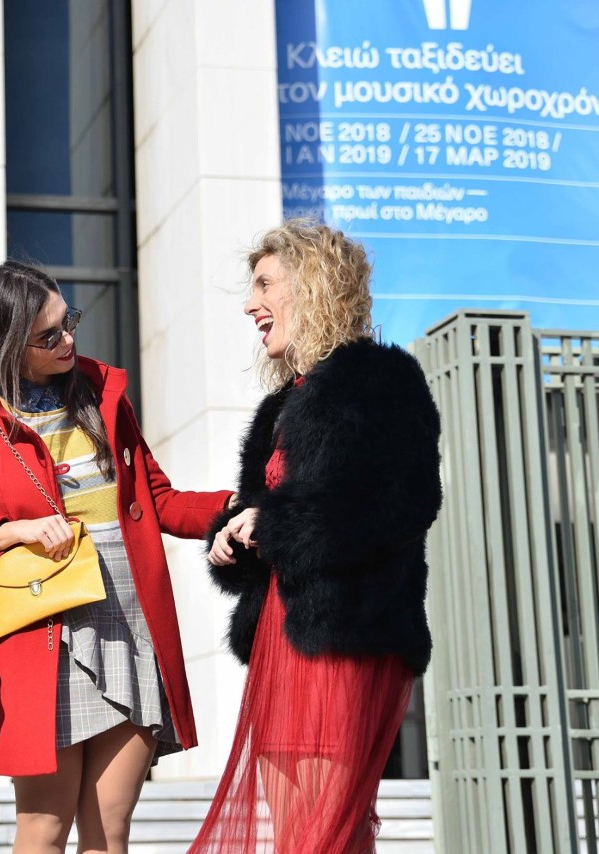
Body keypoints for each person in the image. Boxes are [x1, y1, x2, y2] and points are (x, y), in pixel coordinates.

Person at [0, 261, 236, 854]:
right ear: (8, 344)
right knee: (44, 828)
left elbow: (157, 500)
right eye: (49, 336)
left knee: (109, 829)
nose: (68, 340)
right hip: (44, 632)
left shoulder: (102, 394)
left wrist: (235, 506)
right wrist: (13, 531)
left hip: (128, 617)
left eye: (70, 322)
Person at [190, 221, 441, 853]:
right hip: (280, 639)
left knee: (326, 836)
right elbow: (266, 514)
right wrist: (233, 539)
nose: (250, 304)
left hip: (347, 637)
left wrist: (271, 522)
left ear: (313, 286)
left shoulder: (382, 378)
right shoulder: (281, 405)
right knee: (297, 833)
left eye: (264, 285)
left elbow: (400, 502)